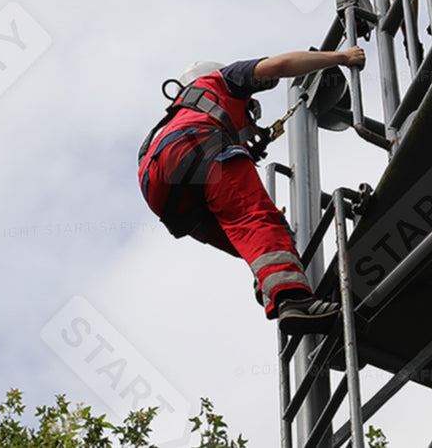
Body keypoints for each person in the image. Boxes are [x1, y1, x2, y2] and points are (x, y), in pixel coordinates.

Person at [137, 48, 365, 335]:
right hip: (194, 146)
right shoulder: (224, 79)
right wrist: (341, 58)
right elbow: (280, 65)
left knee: (253, 239)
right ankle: (293, 299)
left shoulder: (177, 113)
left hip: (159, 191)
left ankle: (270, 285)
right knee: (255, 219)